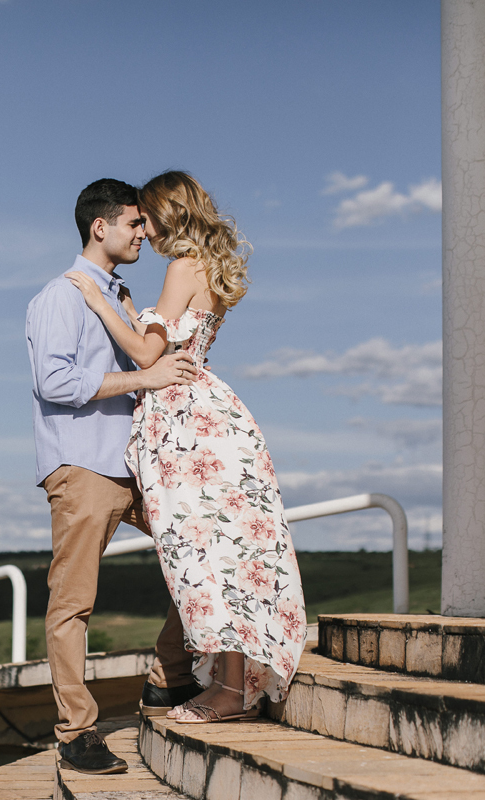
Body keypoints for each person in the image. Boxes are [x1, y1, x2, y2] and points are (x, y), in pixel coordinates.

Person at [66, 171, 306, 724]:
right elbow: (172, 336)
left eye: (145, 216)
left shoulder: (181, 266)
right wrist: (135, 313)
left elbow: (149, 357)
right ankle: (230, 681)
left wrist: (102, 305)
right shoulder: (207, 267)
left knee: (203, 553)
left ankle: (229, 689)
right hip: (208, 410)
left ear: (165, 212)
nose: (142, 231)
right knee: (224, 551)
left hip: (186, 421)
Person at [26, 178, 204, 775]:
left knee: (200, 551)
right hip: (82, 468)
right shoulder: (62, 296)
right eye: (134, 223)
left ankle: (167, 676)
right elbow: (54, 382)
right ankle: (77, 731)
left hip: (138, 466)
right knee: (73, 603)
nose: (144, 232)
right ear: (100, 227)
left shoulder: (122, 295)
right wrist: (143, 380)